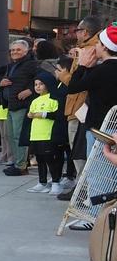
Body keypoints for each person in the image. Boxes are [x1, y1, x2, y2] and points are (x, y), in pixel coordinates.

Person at [65, 23, 117, 231]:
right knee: (112, 174)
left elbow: (74, 87)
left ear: (104, 46)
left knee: (97, 173)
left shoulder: (102, 70)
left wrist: (83, 65)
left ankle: (96, 218)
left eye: (97, 43)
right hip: (114, 128)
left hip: (99, 129)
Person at [57, 15, 105, 201]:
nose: (75, 33)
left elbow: (81, 83)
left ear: (85, 32)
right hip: (78, 107)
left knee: (80, 151)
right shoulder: (86, 48)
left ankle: (83, 189)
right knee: (79, 150)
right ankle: (82, 187)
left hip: (81, 108)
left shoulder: (89, 50)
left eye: (77, 30)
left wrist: (63, 76)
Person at [22, 71, 69, 195]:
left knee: (52, 160)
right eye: (36, 84)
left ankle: (55, 182)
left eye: (41, 84)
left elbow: (57, 115)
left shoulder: (54, 98)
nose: (37, 87)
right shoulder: (35, 100)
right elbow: (30, 113)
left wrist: (42, 114)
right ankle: (42, 182)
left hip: (49, 135)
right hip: (36, 135)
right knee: (40, 159)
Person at [0, 39, 38, 176]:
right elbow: (6, 80)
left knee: (18, 136)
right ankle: (17, 163)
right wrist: (2, 83)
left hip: (21, 106)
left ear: (26, 51)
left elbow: (45, 78)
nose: (14, 52)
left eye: (18, 49)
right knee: (10, 136)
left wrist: (30, 90)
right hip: (10, 105)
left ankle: (21, 165)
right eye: (13, 50)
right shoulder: (12, 65)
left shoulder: (32, 64)